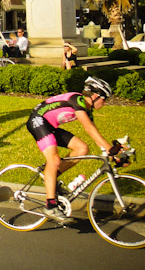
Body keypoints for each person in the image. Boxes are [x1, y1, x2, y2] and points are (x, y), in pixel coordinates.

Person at [26, 76, 121, 224]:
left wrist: (112, 152)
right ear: (96, 96)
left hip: (49, 126)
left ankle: (52, 181)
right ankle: (50, 206)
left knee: (82, 148)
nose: (105, 103)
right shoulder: (78, 100)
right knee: (54, 159)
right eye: (105, 99)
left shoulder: (86, 108)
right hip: (38, 121)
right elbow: (88, 128)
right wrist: (110, 149)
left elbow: (94, 133)